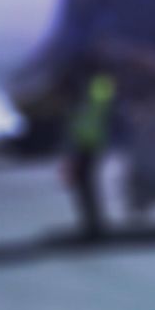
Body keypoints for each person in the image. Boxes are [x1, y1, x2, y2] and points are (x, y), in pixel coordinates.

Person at [64, 69, 117, 239]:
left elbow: (97, 111)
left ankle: (94, 225)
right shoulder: (99, 84)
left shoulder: (99, 84)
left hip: (89, 140)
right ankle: (93, 223)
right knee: (85, 182)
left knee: (85, 182)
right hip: (88, 139)